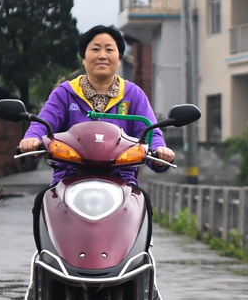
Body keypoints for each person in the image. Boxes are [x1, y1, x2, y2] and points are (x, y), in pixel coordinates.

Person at [19, 24, 175, 182]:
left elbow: (150, 133)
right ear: (83, 58)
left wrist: (159, 151)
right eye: (95, 49)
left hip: (123, 182)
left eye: (109, 50)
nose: (102, 55)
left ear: (119, 58)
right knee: (44, 201)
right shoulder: (64, 93)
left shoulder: (134, 94)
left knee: (143, 204)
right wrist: (32, 139)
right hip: (68, 179)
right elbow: (43, 124)